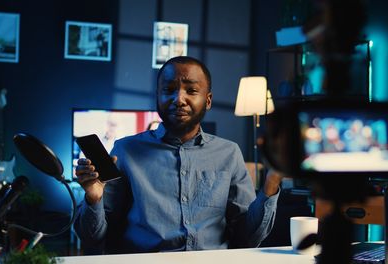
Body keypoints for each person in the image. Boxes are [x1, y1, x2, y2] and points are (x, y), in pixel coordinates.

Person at [74, 56, 283, 254]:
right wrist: (93, 198)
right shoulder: (125, 151)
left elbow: (248, 238)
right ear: (157, 97)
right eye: (169, 90)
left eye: (191, 90)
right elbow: (92, 239)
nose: (179, 99)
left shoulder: (229, 153)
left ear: (208, 100)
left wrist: (272, 180)